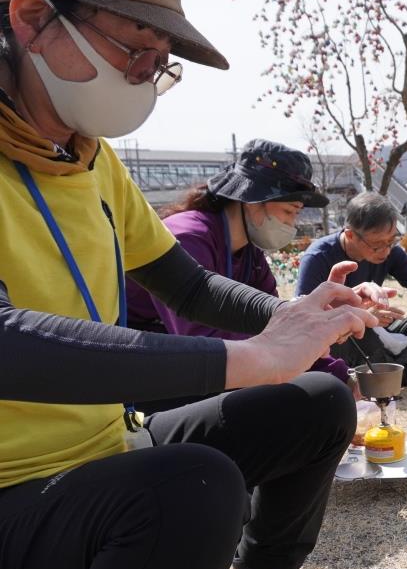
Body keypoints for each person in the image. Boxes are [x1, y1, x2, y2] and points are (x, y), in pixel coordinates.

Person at [0, 0, 387, 569]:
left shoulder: (87, 159)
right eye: (134, 51)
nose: (147, 76)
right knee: (192, 487)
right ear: (33, 18)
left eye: (160, 62)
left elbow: (182, 282)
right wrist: (241, 360)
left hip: (101, 453)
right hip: (12, 501)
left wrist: (291, 317)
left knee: (315, 402)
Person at [126, 138, 362, 410]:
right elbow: (199, 340)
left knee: (324, 391)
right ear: (252, 201)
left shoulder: (251, 257)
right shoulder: (188, 237)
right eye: (288, 212)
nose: (291, 225)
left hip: (204, 363)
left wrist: (342, 376)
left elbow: (279, 324)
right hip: (148, 371)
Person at [296, 190, 407, 384]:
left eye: (391, 241)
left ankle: (389, 370)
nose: (386, 251)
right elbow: (305, 320)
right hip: (346, 334)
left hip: (380, 330)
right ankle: (399, 368)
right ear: (350, 235)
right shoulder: (318, 257)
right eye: (377, 244)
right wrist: (364, 316)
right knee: (357, 332)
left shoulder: (390, 253)